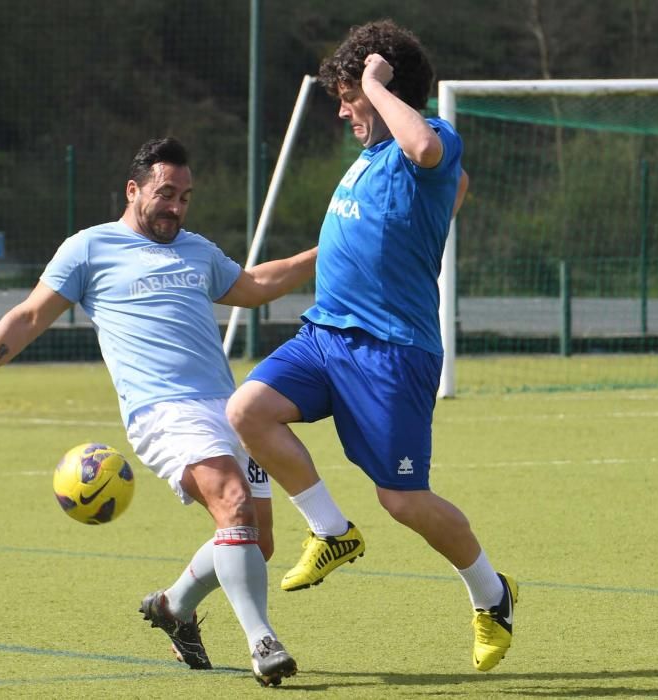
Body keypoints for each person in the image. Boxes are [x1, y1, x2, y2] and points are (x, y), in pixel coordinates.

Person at [0, 137, 310, 687]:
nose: (175, 206)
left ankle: (173, 606)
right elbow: (29, 316)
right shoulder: (89, 249)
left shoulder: (197, 250)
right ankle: (262, 643)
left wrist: (330, 251)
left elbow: (255, 285)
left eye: (185, 197)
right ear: (134, 190)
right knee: (234, 504)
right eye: (165, 193)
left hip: (231, 409)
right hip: (161, 410)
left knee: (255, 541)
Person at [226, 20, 517, 672]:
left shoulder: (429, 138)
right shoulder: (372, 159)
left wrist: (376, 86)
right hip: (324, 336)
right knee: (247, 410)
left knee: (403, 501)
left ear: (380, 86)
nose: (341, 108)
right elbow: (447, 190)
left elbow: (426, 152)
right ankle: (330, 530)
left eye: (348, 94)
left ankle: (491, 595)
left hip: (391, 352)